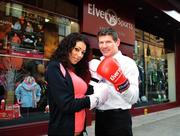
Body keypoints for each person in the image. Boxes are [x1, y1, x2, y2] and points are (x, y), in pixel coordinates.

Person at [45, 32, 109, 136]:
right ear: (67, 47)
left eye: (83, 52)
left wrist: (99, 84)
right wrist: (93, 100)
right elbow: (66, 104)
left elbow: (82, 92)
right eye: (76, 49)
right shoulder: (54, 67)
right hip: (63, 131)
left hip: (80, 131)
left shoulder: (74, 70)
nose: (79, 55)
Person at [93, 27, 139, 136]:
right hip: (99, 118)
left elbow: (134, 98)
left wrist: (120, 81)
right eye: (101, 42)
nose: (104, 46)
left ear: (117, 42)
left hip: (119, 119)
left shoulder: (128, 63)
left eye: (108, 42)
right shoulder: (96, 64)